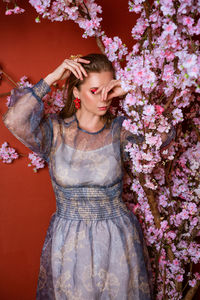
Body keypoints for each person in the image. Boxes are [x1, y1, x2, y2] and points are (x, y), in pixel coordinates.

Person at [2, 53, 175, 300]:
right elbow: (14, 120)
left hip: (117, 238)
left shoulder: (122, 131)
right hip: (69, 242)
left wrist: (132, 91)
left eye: (108, 89)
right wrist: (52, 78)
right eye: (94, 91)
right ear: (76, 93)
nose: (104, 98)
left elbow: (166, 134)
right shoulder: (54, 131)